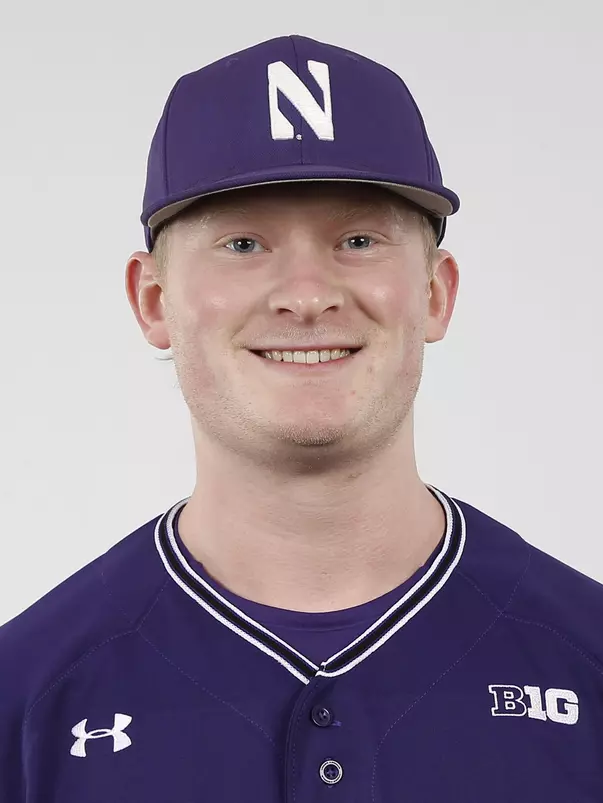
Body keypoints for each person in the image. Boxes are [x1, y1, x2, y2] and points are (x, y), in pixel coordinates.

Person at [1, 34, 602, 803]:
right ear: (153, 300)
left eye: (357, 239)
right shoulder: (25, 698)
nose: (307, 294)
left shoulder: (582, 659)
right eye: (243, 243)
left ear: (434, 293)